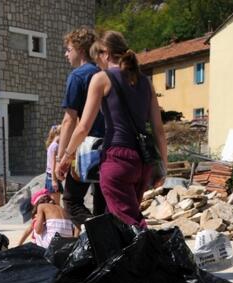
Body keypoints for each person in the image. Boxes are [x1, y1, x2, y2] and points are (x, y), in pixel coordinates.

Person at [57, 31, 167, 228]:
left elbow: (83, 127)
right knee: (117, 223)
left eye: (97, 57)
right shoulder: (145, 81)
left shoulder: (101, 79)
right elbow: (158, 130)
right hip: (143, 162)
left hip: (117, 158)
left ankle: (154, 248)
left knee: (129, 224)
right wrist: (163, 167)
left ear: (105, 53)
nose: (97, 64)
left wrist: (66, 156)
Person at [56, 26, 106, 229]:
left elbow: (69, 120)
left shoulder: (78, 76)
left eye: (69, 49)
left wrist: (62, 157)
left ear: (81, 50)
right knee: (102, 204)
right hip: (111, 145)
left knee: (71, 201)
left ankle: (97, 232)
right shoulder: (105, 74)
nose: (66, 54)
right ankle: (105, 241)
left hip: (88, 148)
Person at [44, 125, 63, 205]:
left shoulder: (51, 145)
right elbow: (53, 165)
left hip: (49, 177)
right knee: (56, 205)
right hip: (52, 177)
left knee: (52, 204)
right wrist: (54, 180)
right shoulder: (56, 146)